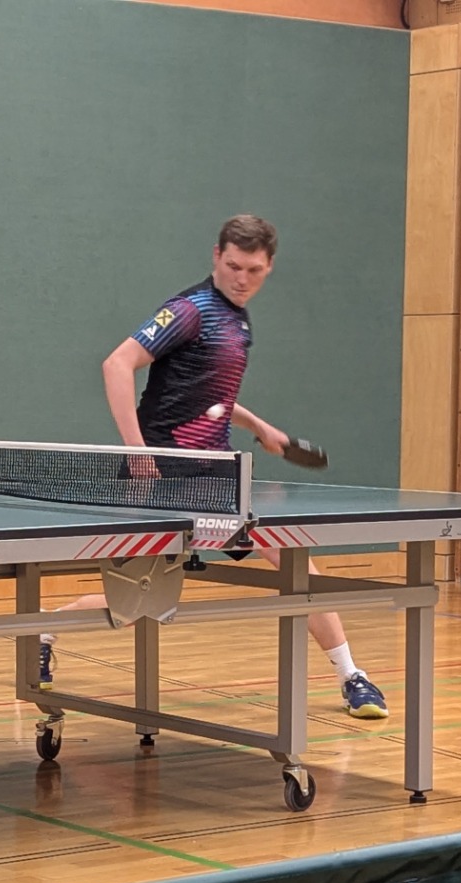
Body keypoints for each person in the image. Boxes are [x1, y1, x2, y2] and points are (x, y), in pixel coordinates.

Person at [39, 214, 389, 720]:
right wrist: (138, 451)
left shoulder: (238, 320)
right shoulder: (190, 310)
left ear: (269, 267)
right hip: (162, 476)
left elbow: (209, 397)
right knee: (138, 606)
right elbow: (116, 364)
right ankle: (44, 630)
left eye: (254, 270)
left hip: (219, 476)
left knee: (295, 561)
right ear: (216, 257)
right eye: (233, 266)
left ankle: (351, 676)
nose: (242, 279)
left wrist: (259, 426)